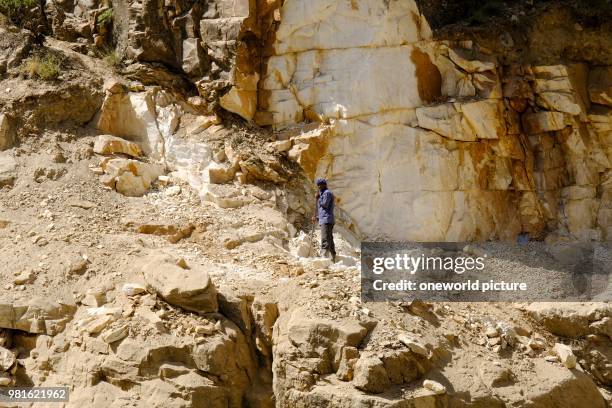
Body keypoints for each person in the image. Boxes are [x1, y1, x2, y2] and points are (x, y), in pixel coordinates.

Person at [314, 178, 336, 262]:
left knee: (325, 238)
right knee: (329, 238)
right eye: (318, 185)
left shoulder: (327, 193)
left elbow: (325, 205)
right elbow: (322, 209)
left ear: (325, 185)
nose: (319, 187)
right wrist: (317, 217)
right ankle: (333, 256)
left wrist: (318, 198)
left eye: (320, 185)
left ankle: (324, 256)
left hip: (327, 219)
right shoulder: (322, 193)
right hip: (324, 219)